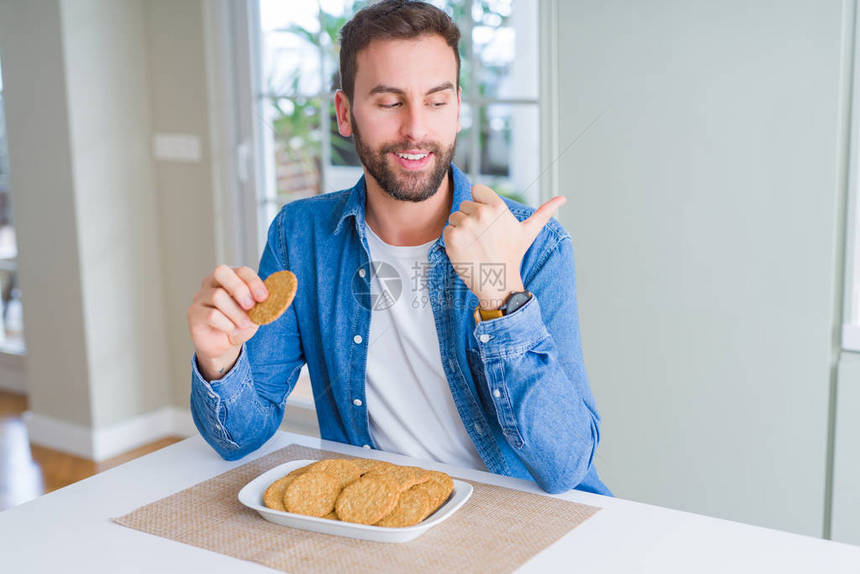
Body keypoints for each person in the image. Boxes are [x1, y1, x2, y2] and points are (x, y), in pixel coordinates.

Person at [186, 0, 610, 496]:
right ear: (345, 114)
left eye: (436, 101)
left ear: (457, 109)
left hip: (515, 516)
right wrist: (220, 361)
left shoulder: (535, 245)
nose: (415, 128)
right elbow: (240, 438)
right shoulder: (298, 237)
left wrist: (501, 294)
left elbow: (566, 467)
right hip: (378, 515)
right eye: (389, 102)